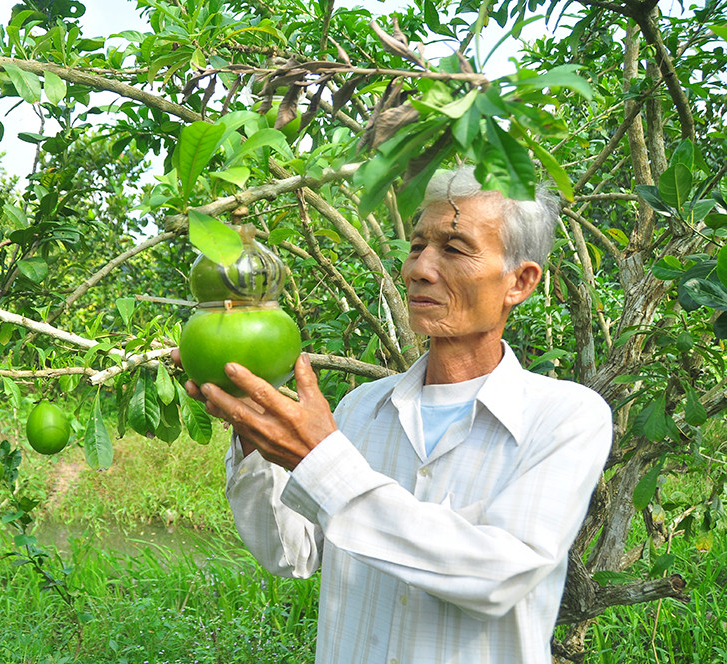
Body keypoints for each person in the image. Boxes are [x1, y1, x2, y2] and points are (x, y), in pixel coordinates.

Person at [175, 166, 613, 664]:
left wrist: (321, 461)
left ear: (519, 281)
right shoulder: (363, 408)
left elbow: (499, 575)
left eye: (453, 248)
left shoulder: (567, 417)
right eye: (416, 246)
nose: (419, 269)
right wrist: (252, 429)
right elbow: (290, 552)